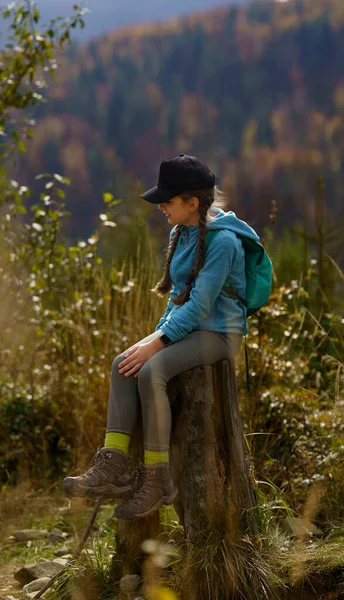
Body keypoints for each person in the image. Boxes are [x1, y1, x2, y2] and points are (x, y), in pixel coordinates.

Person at [63, 153, 261, 521]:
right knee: (123, 363)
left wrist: (158, 343)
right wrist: (155, 335)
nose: (162, 208)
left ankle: (158, 479)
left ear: (192, 203)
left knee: (152, 372)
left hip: (219, 334)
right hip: (189, 329)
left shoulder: (224, 244)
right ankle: (115, 464)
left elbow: (201, 306)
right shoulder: (181, 232)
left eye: (167, 202)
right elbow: (177, 299)